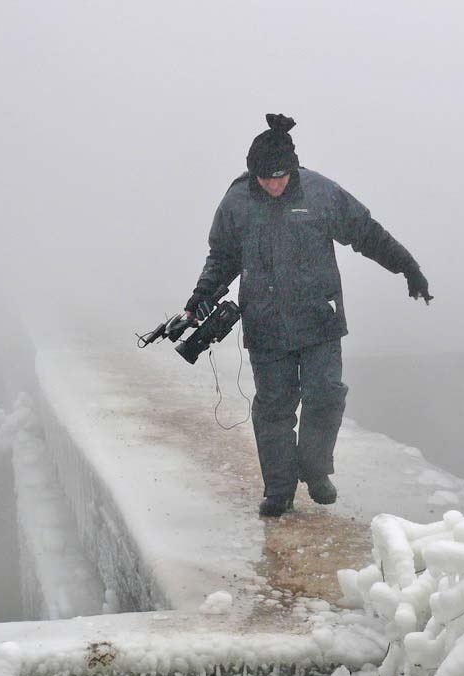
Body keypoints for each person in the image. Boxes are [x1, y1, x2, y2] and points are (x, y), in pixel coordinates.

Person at [184, 114, 432, 517]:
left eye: (280, 176)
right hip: (265, 324)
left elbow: (367, 233)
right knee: (274, 408)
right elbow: (223, 258)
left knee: (325, 396)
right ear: (253, 174)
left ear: (293, 168)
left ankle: (315, 471)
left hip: (319, 319)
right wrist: (200, 298)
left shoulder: (322, 194)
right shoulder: (237, 203)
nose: (274, 184)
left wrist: (408, 267)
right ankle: (279, 489)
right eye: (265, 178)